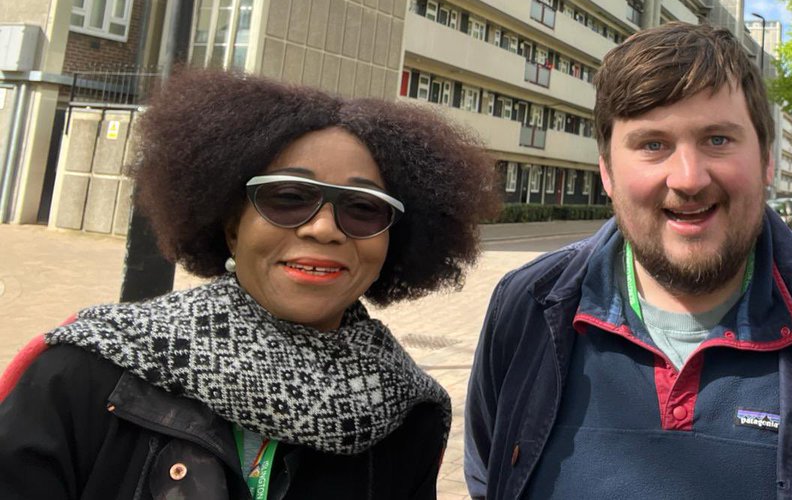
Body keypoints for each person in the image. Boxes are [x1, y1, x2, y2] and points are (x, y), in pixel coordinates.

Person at [464, 23, 792, 500]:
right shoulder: (526, 309)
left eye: (718, 139)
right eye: (653, 144)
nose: (689, 178)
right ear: (607, 171)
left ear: (766, 161)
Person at [0, 67, 499, 499]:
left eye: (363, 208)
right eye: (287, 197)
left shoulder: (408, 415)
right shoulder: (83, 374)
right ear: (231, 225)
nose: (323, 228)